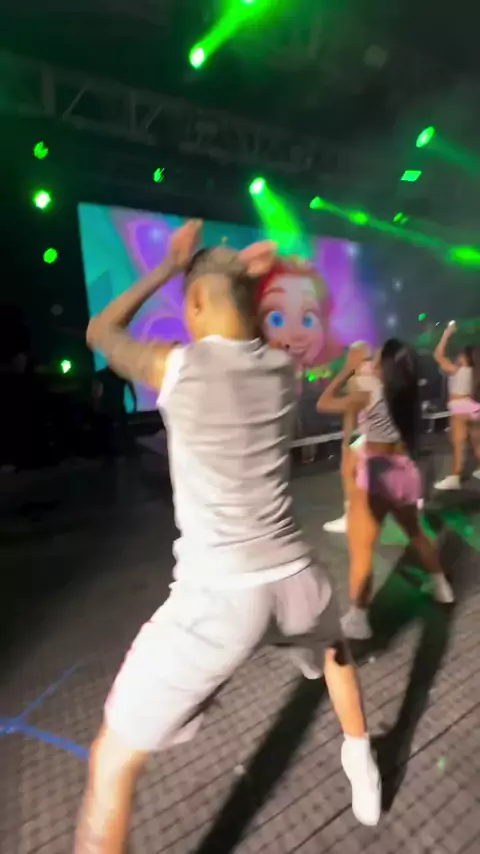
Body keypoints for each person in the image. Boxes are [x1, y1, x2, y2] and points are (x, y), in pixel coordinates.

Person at [74, 222, 382, 853]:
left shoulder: (178, 367)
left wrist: (167, 267)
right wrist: (239, 274)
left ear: (193, 304)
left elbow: (100, 331)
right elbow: (244, 318)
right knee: (333, 652)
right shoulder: (283, 368)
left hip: (219, 599)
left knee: (111, 759)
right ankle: (361, 761)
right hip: (298, 581)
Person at [317, 340, 454, 641]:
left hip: (377, 474)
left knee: (361, 549)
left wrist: (347, 370)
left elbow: (324, 403)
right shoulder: (407, 390)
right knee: (415, 532)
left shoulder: (368, 387)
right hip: (405, 471)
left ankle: (358, 619)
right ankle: (442, 587)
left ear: (385, 363)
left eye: (377, 356)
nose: (373, 359)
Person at [322, 342, 373, 534]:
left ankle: (352, 517)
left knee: (349, 471)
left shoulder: (361, 379)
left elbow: (324, 403)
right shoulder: (372, 375)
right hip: (375, 434)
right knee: (354, 471)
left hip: (371, 436)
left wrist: (345, 371)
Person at [433, 321, 480, 490]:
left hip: (459, 407)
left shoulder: (456, 369)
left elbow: (438, 355)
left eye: (461, 354)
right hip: (474, 407)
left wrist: (447, 333)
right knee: (476, 441)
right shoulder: (475, 372)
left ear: (466, 358)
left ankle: (455, 477)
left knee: (457, 444)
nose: (458, 356)